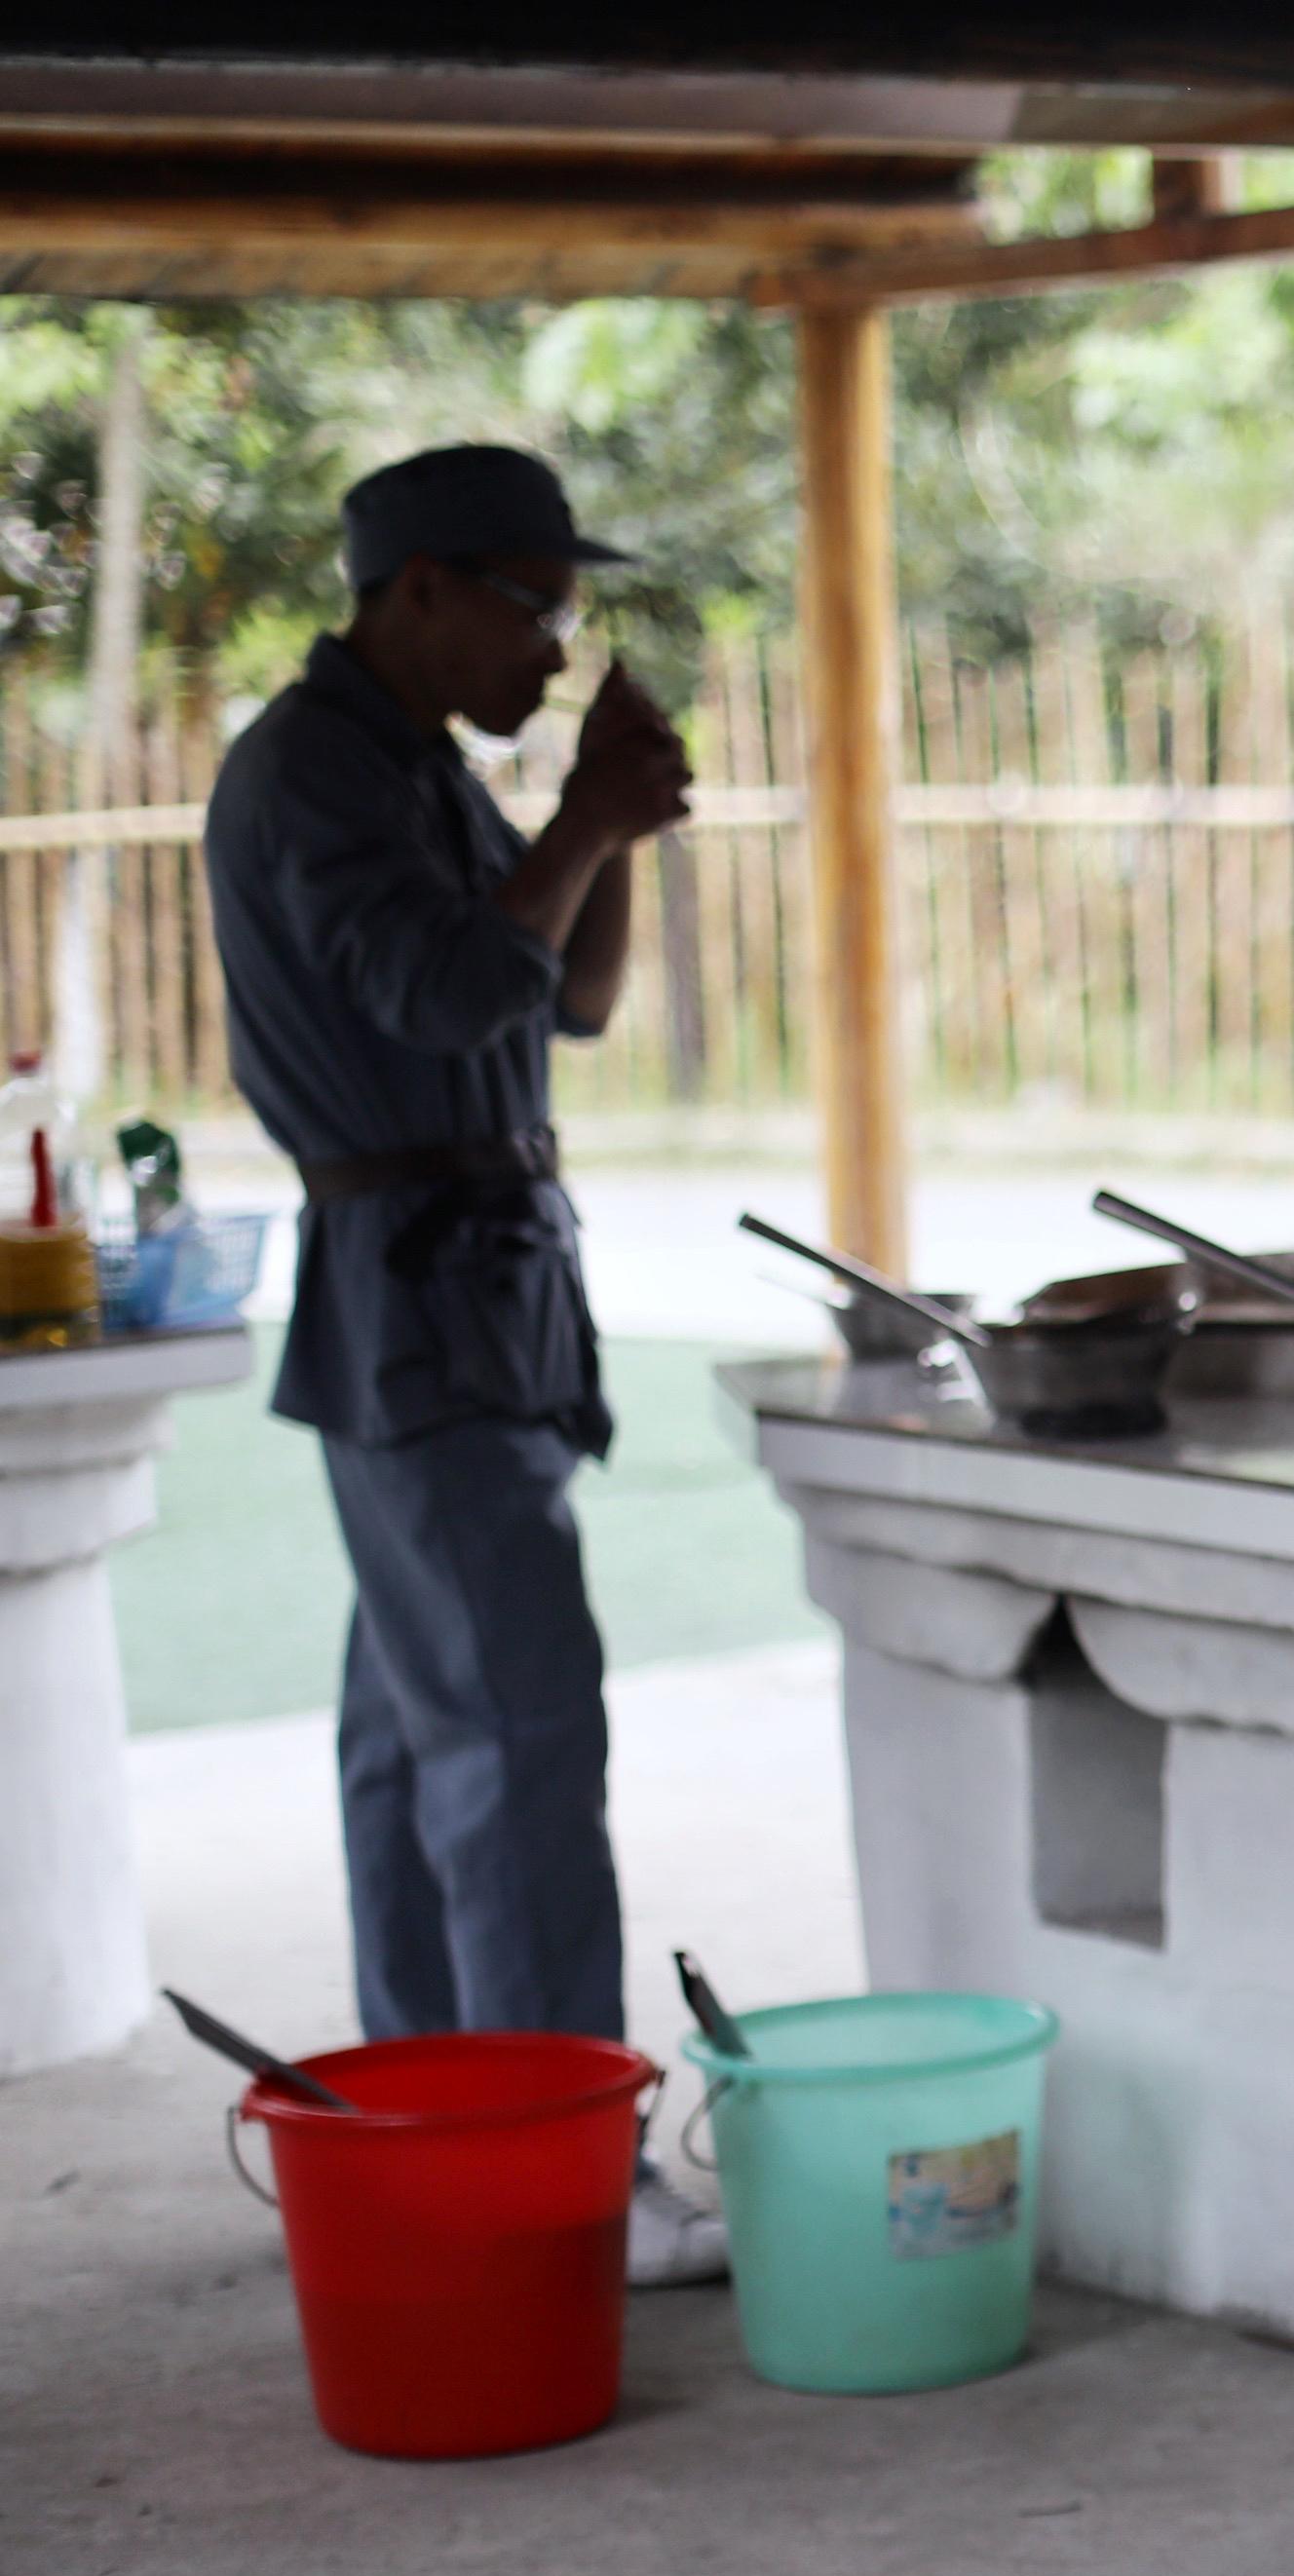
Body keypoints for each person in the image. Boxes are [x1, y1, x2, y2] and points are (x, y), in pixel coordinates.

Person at [201, 445, 718, 2286]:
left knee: (422, 1738)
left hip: (471, 1285)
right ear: (415, 586)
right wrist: (579, 817)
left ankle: (432, 2127)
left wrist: (613, 832)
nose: (556, 649)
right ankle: (565, 2177)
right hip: (420, 1294)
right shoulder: (311, 773)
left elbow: (561, 990)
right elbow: (441, 992)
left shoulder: (408, 763)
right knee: (513, 1734)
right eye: (533, 606)